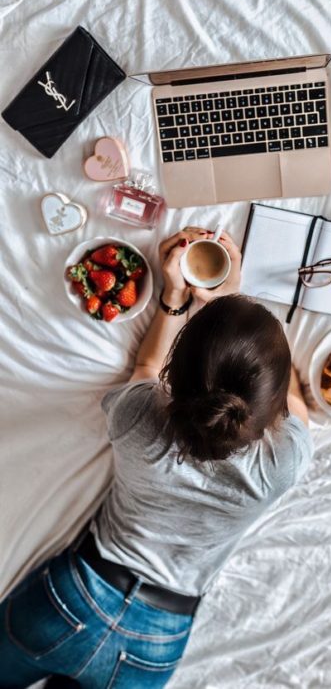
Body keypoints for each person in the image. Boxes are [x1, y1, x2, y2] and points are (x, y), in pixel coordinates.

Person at [0, 227, 312, 689]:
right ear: (271, 412)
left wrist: (175, 297)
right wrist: (234, 310)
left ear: (175, 375)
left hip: (73, 597)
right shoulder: (282, 465)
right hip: (154, 642)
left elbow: (145, 369)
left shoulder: (138, 417)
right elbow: (298, 407)